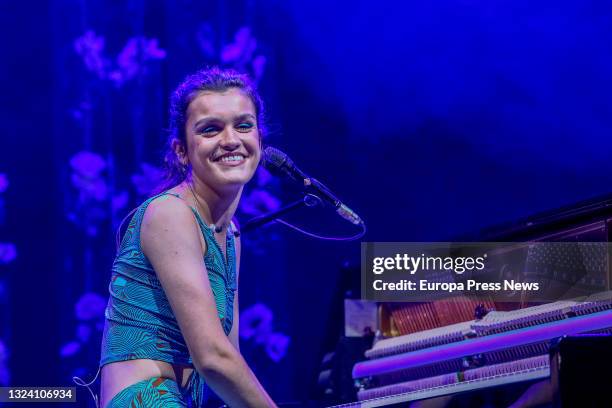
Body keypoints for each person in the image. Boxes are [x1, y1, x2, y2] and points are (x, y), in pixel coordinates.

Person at [99, 67, 277, 407]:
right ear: (182, 151)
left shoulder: (231, 234)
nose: (231, 140)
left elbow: (228, 360)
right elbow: (212, 357)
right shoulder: (171, 213)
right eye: (211, 129)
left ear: (259, 139)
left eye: (244, 125)